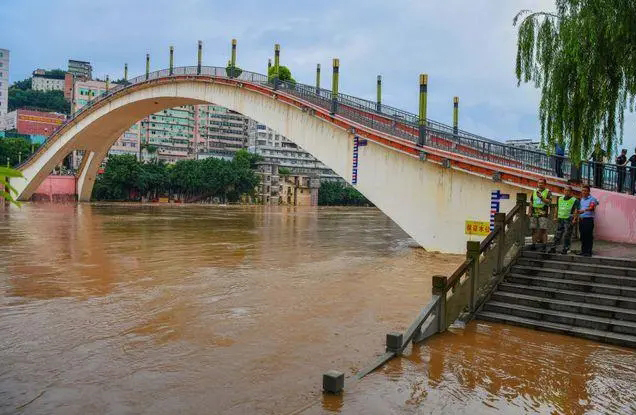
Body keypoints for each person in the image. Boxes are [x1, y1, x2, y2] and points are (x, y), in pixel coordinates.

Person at [549, 185, 579, 254]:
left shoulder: (574, 200)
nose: (566, 192)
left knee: (567, 234)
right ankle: (554, 247)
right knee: (557, 234)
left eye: (568, 191)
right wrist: (555, 216)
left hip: (569, 219)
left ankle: (566, 248)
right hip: (560, 219)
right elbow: (557, 208)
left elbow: (576, 210)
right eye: (565, 190)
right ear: (563, 191)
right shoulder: (560, 198)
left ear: (571, 192)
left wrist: (574, 219)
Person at [528, 178, 552, 252]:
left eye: (542, 183)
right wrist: (529, 211)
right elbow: (531, 202)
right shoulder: (534, 191)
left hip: (543, 213)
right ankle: (533, 244)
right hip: (534, 213)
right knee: (533, 229)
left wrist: (541, 197)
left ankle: (544, 245)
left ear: (545, 184)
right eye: (539, 183)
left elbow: (549, 202)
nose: (540, 184)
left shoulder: (548, 192)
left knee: (543, 229)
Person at [577, 185, 599, 257]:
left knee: (588, 236)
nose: (584, 192)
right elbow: (579, 210)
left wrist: (584, 210)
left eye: (585, 191)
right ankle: (583, 251)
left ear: (589, 191)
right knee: (582, 236)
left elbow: (592, 208)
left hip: (588, 220)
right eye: (583, 190)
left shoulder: (593, 199)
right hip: (581, 220)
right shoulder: (581, 199)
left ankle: (588, 252)